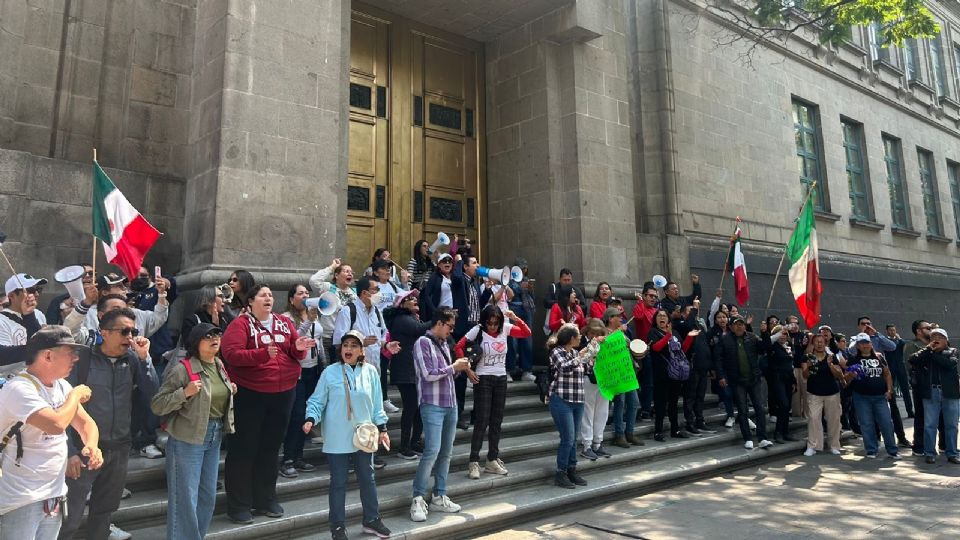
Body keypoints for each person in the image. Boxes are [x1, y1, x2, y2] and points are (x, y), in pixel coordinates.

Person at [220, 284, 316, 524]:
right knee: (244, 449)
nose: (269, 298)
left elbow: (293, 350)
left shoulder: (284, 323)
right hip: (251, 394)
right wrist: (262, 354)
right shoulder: (240, 324)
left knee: (270, 449)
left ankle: (265, 499)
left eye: (271, 295)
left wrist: (299, 348)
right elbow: (231, 354)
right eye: (263, 295)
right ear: (250, 302)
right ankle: (239, 505)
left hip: (283, 393)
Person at [59, 309, 158, 540]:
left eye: (133, 331)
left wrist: (145, 359)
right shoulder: (82, 360)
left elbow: (152, 393)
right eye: (124, 331)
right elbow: (63, 405)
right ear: (104, 332)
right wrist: (69, 452)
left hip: (119, 448)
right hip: (84, 451)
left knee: (104, 512)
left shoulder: (133, 359)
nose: (130, 337)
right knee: (69, 517)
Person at [0, 326, 101, 540]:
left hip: (53, 494)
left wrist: (92, 445)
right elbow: (56, 424)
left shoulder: (61, 386)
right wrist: (75, 396)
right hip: (20, 498)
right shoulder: (19, 388)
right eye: (70, 352)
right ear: (48, 355)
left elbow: (86, 424)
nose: (75, 358)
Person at [303, 330, 392, 540]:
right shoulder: (329, 373)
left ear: (361, 350)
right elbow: (317, 400)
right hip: (337, 436)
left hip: (365, 435)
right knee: (339, 482)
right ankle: (337, 526)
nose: (348, 349)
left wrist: (383, 429)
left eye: (354, 345)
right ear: (340, 349)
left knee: (367, 478)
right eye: (345, 345)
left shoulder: (370, 372)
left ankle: (372, 519)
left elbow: (377, 404)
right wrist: (310, 418)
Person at [150, 323, 236, 540]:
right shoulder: (183, 368)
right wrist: (184, 393)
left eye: (217, 334)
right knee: (185, 499)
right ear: (196, 342)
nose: (215, 338)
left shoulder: (219, 364)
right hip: (187, 438)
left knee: (207, 497)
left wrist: (230, 390)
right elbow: (158, 404)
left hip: (214, 435)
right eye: (208, 336)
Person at [455, 305, 531, 479]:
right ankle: (473, 461)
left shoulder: (505, 328)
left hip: (500, 377)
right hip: (483, 378)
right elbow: (459, 346)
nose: (492, 327)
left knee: (497, 420)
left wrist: (515, 317)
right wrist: (467, 369)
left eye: (496, 323)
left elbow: (526, 333)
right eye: (489, 323)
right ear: (484, 321)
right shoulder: (478, 330)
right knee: (482, 420)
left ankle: (492, 459)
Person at [333, 276, 401, 462]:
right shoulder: (349, 311)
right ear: (364, 293)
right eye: (375, 290)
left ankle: (368, 452)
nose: (379, 294)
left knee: (369, 413)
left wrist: (386, 346)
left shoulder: (377, 312)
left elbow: (380, 338)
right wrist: (360, 342)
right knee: (351, 415)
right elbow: (339, 341)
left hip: (372, 371)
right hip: (351, 373)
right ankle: (348, 455)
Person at [410, 308, 467, 522]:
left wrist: (460, 367)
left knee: (446, 453)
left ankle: (439, 494)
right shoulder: (422, 343)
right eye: (450, 326)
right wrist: (454, 367)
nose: (451, 331)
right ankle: (417, 497)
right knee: (432, 451)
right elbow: (428, 374)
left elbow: (446, 373)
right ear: (440, 323)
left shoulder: (444, 343)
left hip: (450, 404)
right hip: (432, 404)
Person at [279, 283, 325, 479]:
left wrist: (324, 364)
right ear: (291, 299)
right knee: (296, 415)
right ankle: (287, 458)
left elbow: (319, 341)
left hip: (313, 370)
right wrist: (308, 322)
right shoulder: (285, 318)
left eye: (307, 292)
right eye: (300, 293)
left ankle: (299, 456)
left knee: (307, 415)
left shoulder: (314, 315)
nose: (305, 296)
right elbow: (292, 340)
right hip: (295, 373)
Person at [386, 289, 432, 459]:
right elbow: (419, 330)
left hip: (414, 369)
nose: (414, 300)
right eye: (410, 299)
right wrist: (437, 318)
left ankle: (415, 442)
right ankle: (404, 446)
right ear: (402, 304)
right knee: (411, 407)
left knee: (418, 407)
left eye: (415, 298)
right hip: (404, 370)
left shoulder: (412, 318)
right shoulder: (401, 319)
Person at [715, 315, 773, 450]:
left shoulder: (752, 337)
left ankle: (763, 437)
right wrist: (721, 376)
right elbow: (718, 360)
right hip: (737, 380)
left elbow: (765, 348)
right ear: (731, 327)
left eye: (741, 324)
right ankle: (747, 438)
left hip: (754, 379)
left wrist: (764, 333)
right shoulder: (725, 340)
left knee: (759, 408)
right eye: (736, 324)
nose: (739, 326)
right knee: (742, 410)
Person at [909, 328, 960, 464]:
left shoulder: (952, 352)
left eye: (940, 336)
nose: (936, 339)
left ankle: (952, 453)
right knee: (930, 424)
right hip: (931, 393)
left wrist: (931, 354)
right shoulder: (925, 353)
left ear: (946, 340)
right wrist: (928, 350)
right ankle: (929, 453)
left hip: (950, 393)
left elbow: (949, 364)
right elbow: (912, 359)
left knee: (951, 425)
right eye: (933, 337)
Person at [844, 333, 899, 459]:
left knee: (886, 423)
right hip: (861, 396)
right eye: (862, 343)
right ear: (857, 346)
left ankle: (892, 450)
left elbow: (887, 374)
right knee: (866, 423)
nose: (865, 345)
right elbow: (845, 380)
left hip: (880, 396)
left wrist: (889, 390)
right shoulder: (853, 359)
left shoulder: (879, 357)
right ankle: (871, 449)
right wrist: (851, 375)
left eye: (867, 342)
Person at [547, 324, 588, 489]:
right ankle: (560, 472)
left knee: (574, 438)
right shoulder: (557, 352)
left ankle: (572, 469)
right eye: (578, 336)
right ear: (571, 338)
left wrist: (592, 356)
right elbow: (563, 368)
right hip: (561, 400)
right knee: (568, 438)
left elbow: (587, 370)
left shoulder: (575, 353)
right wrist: (580, 357)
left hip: (578, 400)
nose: (580, 339)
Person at [648, 309, 696, 441]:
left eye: (664, 315)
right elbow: (656, 348)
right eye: (659, 316)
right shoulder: (653, 332)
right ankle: (658, 431)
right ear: (656, 319)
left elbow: (682, 350)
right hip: (662, 374)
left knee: (674, 403)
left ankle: (675, 429)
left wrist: (689, 337)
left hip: (676, 374)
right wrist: (667, 336)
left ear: (668, 320)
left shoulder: (675, 333)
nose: (662, 317)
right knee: (660, 403)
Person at [904, 320, 943, 455]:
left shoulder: (937, 342)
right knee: (922, 416)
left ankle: (943, 444)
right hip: (922, 385)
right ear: (919, 331)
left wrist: (937, 333)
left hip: (938, 384)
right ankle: (919, 446)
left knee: (942, 416)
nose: (931, 329)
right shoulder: (912, 345)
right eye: (928, 328)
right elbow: (912, 363)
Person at [801, 334, 844, 456]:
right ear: (813, 344)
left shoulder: (831, 357)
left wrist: (830, 365)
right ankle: (813, 446)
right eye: (817, 342)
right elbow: (804, 376)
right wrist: (808, 367)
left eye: (822, 342)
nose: (819, 344)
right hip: (814, 393)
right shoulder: (807, 358)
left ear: (825, 344)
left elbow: (838, 375)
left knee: (834, 419)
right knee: (814, 418)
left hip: (832, 393)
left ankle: (834, 445)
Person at [310, 259, 359, 363]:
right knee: (326, 368)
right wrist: (332, 267)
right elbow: (314, 281)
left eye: (351, 272)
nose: (350, 274)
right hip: (327, 337)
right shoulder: (329, 288)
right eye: (346, 271)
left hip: (345, 339)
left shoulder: (355, 294)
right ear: (336, 275)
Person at [0, 273, 48, 374]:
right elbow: (3, 360)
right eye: (30, 290)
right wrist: (36, 350)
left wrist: (29, 315)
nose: (36, 294)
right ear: (11, 296)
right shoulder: (2, 320)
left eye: (38, 289)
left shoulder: (38, 314)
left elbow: (44, 345)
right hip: (12, 381)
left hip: (38, 378)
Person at [579, 318, 612, 460]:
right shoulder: (581, 342)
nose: (595, 335)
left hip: (603, 380)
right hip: (588, 379)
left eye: (598, 332)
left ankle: (597, 444)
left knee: (602, 413)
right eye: (592, 332)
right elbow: (582, 357)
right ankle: (587, 445)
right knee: (588, 413)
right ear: (588, 331)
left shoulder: (605, 343)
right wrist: (594, 343)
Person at [607, 308, 641, 448]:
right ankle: (619, 434)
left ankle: (630, 432)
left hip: (628, 372)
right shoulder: (605, 333)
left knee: (633, 402)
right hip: (616, 373)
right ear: (610, 318)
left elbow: (629, 346)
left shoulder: (623, 333)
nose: (621, 319)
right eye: (618, 317)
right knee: (620, 403)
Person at [683, 310, 717, 434]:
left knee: (700, 397)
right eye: (689, 310)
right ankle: (689, 423)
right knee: (690, 396)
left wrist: (710, 367)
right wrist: (694, 309)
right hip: (693, 367)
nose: (695, 312)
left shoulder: (700, 326)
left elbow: (707, 347)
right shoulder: (685, 325)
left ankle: (700, 420)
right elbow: (688, 324)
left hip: (703, 367)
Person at [766, 327, 798, 443]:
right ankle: (778, 433)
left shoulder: (788, 347)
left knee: (787, 405)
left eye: (785, 334)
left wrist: (794, 381)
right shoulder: (772, 347)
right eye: (780, 334)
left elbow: (790, 366)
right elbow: (767, 343)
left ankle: (785, 432)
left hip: (788, 379)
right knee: (783, 404)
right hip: (777, 379)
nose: (783, 336)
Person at [632, 282, 659, 418]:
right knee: (647, 381)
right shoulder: (639, 307)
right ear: (644, 296)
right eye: (650, 296)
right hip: (643, 351)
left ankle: (652, 406)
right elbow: (638, 317)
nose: (653, 298)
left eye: (655, 296)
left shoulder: (656, 311)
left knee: (654, 381)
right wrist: (641, 302)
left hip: (657, 350)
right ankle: (645, 409)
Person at [506, 258, 536, 382]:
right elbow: (510, 294)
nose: (524, 270)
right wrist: (520, 287)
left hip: (526, 310)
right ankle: (509, 369)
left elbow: (532, 297)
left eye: (525, 268)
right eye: (521, 268)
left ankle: (526, 370)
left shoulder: (527, 280)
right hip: (514, 310)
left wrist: (530, 289)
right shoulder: (509, 279)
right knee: (512, 341)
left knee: (527, 341)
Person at [708, 310, 736, 427]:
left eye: (724, 317)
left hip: (734, 367)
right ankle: (731, 415)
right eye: (719, 317)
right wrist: (712, 369)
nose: (722, 319)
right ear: (715, 320)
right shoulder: (711, 333)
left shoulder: (733, 331)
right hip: (720, 368)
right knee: (726, 393)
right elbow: (709, 352)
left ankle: (743, 416)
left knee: (738, 394)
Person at [884, 324, 912, 418]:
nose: (892, 332)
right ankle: (893, 413)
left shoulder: (899, 341)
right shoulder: (886, 341)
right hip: (890, 367)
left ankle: (910, 411)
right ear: (887, 331)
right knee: (891, 390)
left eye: (894, 330)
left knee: (905, 390)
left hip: (901, 367)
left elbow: (904, 344)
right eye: (890, 330)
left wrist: (899, 339)